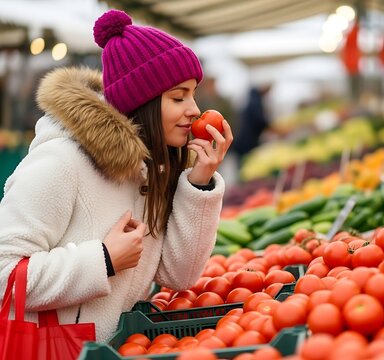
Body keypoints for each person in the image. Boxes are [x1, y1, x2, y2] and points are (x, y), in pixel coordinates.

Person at [0, 9, 232, 343]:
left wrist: (200, 181)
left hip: (116, 347)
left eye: (193, 94)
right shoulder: (62, 161)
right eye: (178, 97)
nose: (194, 109)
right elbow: (4, 273)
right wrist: (102, 260)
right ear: (143, 101)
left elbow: (178, 275)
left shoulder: (152, 167)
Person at [232, 84, 272, 167]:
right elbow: (260, 120)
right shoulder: (255, 101)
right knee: (244, 165)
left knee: (243, 165)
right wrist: (271, 127)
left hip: (243, 140)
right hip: (246, 142)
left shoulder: (252, 98)